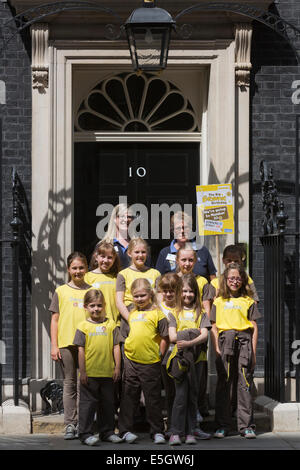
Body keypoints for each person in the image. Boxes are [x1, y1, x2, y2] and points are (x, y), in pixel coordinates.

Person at [210, 262, 261, 439]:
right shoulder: (218, 301)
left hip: (245, 342)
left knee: (244, 384)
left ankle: (246, 426)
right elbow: (214, 326)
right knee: (224, 384)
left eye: (238, 278)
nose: (234, 281)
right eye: (231, 278)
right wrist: (217, 347)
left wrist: (253, 351)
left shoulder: (248, 301)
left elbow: (254, 326)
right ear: (225, 280)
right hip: (226, 343)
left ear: (243, 280)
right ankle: (222, 425)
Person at [117, 278, 169, 444]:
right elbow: (124, 336)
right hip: (131, 361)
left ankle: (157, 431)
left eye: (142, 295)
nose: (139, 299)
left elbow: (165, 338)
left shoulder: (158, 314)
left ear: (150, 294)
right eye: (136, 296)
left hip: (151, 363)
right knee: (128, 396)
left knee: (152, 398)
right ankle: (125, 430)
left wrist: (159, 356)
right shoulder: (130, 313)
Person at [49, 252, 91, 440]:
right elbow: (55, 320)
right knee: (69, 384)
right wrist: (54, 345)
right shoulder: (60, 291)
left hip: (88, 344)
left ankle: (83, 423)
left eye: (81, 267)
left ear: (86, 269)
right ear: (68, 269)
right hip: (66, 343)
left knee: (84, 383)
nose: (78, 271)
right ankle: (70, 424)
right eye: (74, 268)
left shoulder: (91, 291)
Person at [73, 289, 122, 446]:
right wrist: (83, 371)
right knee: (87, 405)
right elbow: (80, 350)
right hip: (90, 374)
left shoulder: (111, 325)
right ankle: (85, 433)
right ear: (85, 307)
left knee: (108, 404)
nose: (96, 309)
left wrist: (117, 368)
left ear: (105, 306)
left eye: (99, 306)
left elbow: (116, 347)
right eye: (92, 306)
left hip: (107, 373)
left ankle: (107, 432)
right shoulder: (82, 326)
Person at [167, 273, 212, 445]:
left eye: (191, 291)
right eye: (184, 291)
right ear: (179, 292)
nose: (187, 295)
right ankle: (176, 432)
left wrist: (187, 341)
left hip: (198, 359)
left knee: (193, 395)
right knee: (180, 395)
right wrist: (192, 335)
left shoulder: (201, 313)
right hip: (179, 361)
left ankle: (191, 430)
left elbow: (205, 335)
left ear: (196, 293)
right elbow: (171, 336)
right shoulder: (174, 313)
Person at [175, 244, 213, 418]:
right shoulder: (172, 279)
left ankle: (197, 408)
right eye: (183, 260)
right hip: (177, 330)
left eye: (191, 260)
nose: (187, 263)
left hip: (197, 332)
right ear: (177, 260)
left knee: (198, 374)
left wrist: (203, 327)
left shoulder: (203, 281)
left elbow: (206, 307)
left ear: (196, 261)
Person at [116, 237, 161, 338]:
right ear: (129, 253)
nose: (140, 255)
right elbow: (119, 302)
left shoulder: (155, 273)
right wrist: (131, 319)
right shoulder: (123, 274)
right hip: (129, 315)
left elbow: (159, 299)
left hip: (150, 315)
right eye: (137, 252)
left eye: (143, 252)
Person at [155, 211, 217, 280]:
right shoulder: (165, 253)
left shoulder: (202, 250)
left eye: (185, 227)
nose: (182, 231)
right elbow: (159, 280)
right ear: (173, 230)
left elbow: (212, 276)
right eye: (178, 228)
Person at [157, 272, 183, 434]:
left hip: (180, 355)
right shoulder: (158, 309)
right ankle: (170, 425)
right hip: (164, 356)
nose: (168, 294)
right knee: (169, 392)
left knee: (181, 392)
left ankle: (180, 425)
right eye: (165, 291)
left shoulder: (182, 308)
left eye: (172, 290)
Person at [85, 241, 121, 325]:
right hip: (92, 324)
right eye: (103, 256)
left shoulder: (117, 278)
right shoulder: (87, 277)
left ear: (114, 259)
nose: (106, 260)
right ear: (96, 257)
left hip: (114, 325)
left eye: (109, 257)